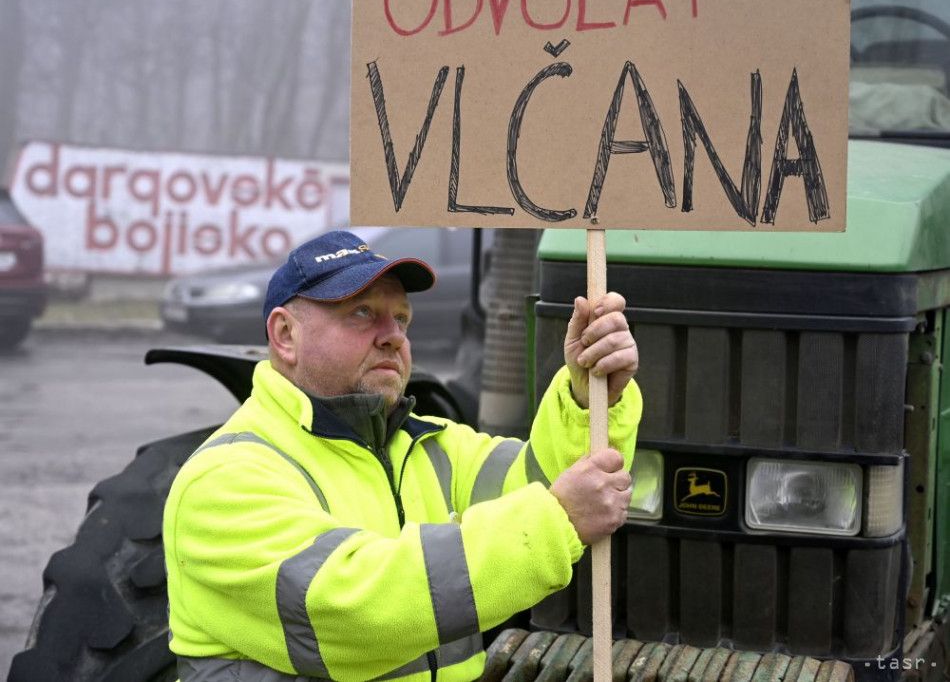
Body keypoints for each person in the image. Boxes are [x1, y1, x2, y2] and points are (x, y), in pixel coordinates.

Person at [163, 229, 643, 682]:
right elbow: (355, 610)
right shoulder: (224, 479)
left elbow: (547, 484)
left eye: (402, 319)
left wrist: (588, 401)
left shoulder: (434, 447)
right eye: (361, 313)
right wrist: (556, 519)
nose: (392, 334)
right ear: (285, 336)